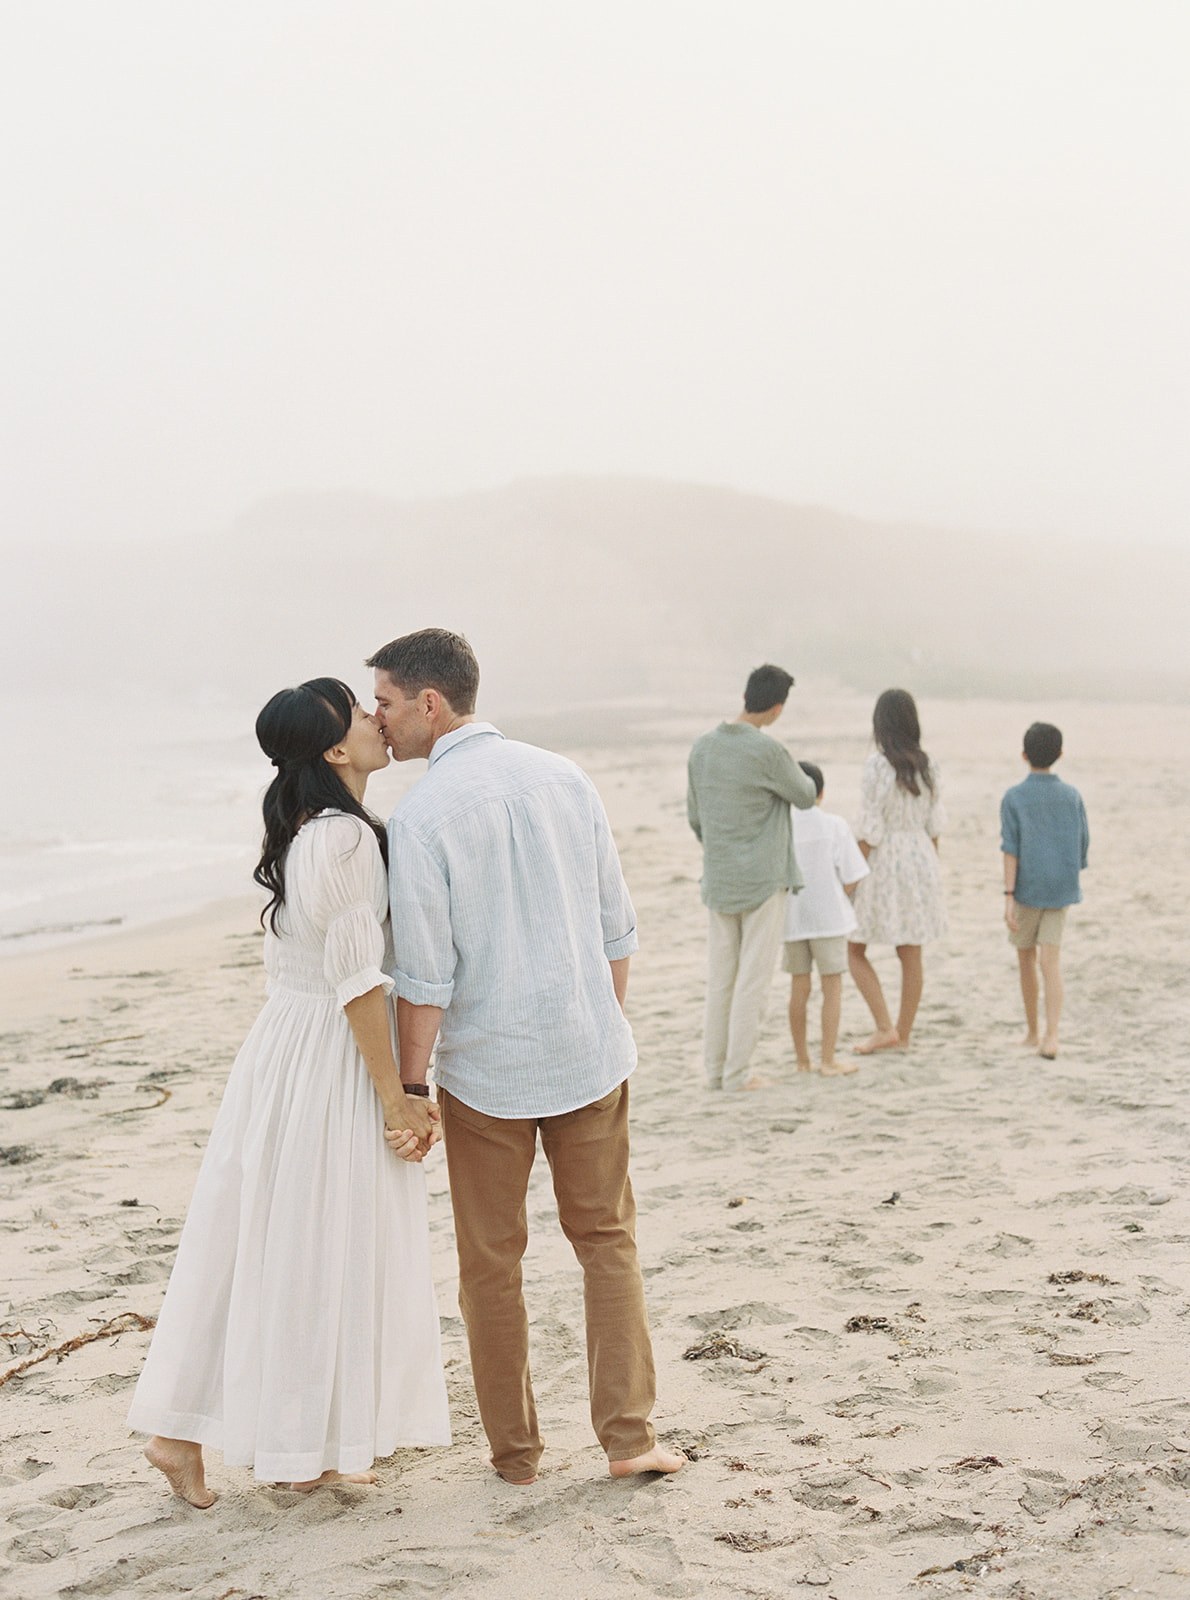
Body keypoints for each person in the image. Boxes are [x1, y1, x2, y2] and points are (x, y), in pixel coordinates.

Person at [368, 628, 682, 1487]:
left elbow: (424, 976)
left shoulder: (422, 818)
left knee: (490, 1265)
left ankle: (515, 1458)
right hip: (588, 1053)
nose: (379, 721)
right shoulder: (564, 776)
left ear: (431, 703)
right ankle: (628, 1441)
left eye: (387, 703)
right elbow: (617, 927)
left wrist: (409, 1083)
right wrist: (589, 1020)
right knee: (608, 1242)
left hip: (486, 1073)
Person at [127, 679, 450, 1507]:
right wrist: (395, 1095)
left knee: (280, 1243)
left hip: (290, 1050)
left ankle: (284, 1441)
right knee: (320, 1242)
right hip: (329, 1056)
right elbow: (355, 983)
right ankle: (280, 1442)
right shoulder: (341, 839)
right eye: (361, 714)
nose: (381, 719)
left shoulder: (317, 830)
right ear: (335, 750)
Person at [687, 664, 818, 1092]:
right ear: (777, 708)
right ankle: (739, 1074)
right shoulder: (769, 752)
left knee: (721, 980)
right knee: (752, 982)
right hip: (763, 880)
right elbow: (804, 795)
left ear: (746, 695)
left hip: (720, 878)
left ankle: (715, 1072)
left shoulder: (702, 749)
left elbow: (695, 818)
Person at [847, 688, 946, 1054]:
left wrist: (851, 877)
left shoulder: (877, 765)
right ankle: (902, 1035)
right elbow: (935, 826)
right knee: (911, 953)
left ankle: (884, 1026)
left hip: (886, 857)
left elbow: (871, 827)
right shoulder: (929, 765)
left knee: (854, 948)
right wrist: (932, 870)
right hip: (920, 856)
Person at [1001, 721, 1089, 1059]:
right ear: (1061, 754)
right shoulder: (1072, 795)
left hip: (1026, 889)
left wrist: (1009, 896)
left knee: (1026, 958)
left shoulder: (1014, 797)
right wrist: (1070, 869)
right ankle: (1052, 1036)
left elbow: (1011, 848)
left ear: (1024, 755)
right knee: (1051, 962)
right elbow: (1082, 843)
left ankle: (1033, 1031)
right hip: (1061, 887)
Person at [781, 761, 869, 1077]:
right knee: (832, 987)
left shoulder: (782, 826)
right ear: (821, 793)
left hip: (792, 917)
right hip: (829, 918)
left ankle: (802, 1060)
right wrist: (838, 895)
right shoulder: (833, 825)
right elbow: (854, 874)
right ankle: (828, 1060)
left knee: (798, 987)